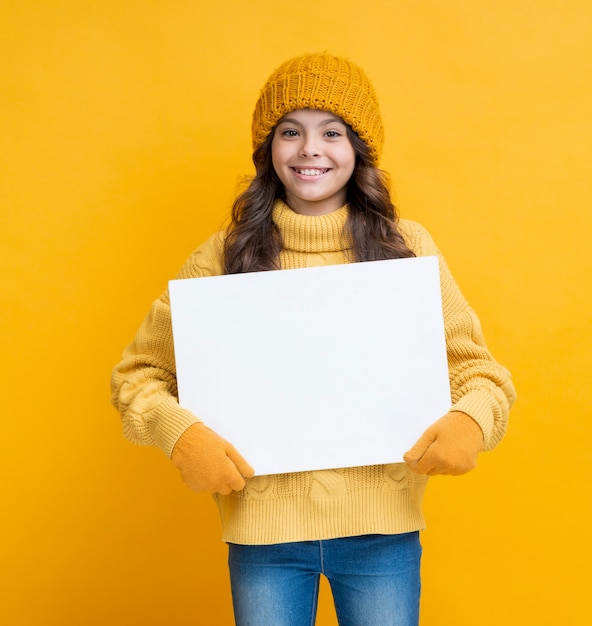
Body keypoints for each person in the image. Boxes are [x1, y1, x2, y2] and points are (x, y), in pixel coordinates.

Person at [110, 53, 516, 626]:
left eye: (332, 132)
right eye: (289, 132)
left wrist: (471, 418)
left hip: (382, 534)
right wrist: (181, 436)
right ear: (267, 149)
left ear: (359, 149)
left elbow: (483, 374)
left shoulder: (408, 246)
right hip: (265, 541)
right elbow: (138, 375)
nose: (309, 149)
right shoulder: (224, 256)